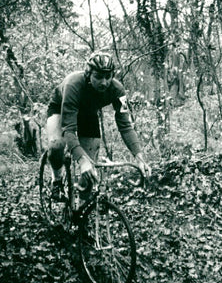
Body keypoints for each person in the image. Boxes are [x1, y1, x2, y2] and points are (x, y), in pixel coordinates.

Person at [46, 51, 151, 198]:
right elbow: (69, 130)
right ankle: (56, 180)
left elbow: (125, 126)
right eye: (98, 77)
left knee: (90, 172)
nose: (104, 82)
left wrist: (139, 158)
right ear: (88, 74)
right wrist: (81, 161)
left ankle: (82, 212)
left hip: (88, 113)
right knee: (56, 145)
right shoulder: (73, 84)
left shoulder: (118, 90)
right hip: (60, 108)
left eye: (108, 77)